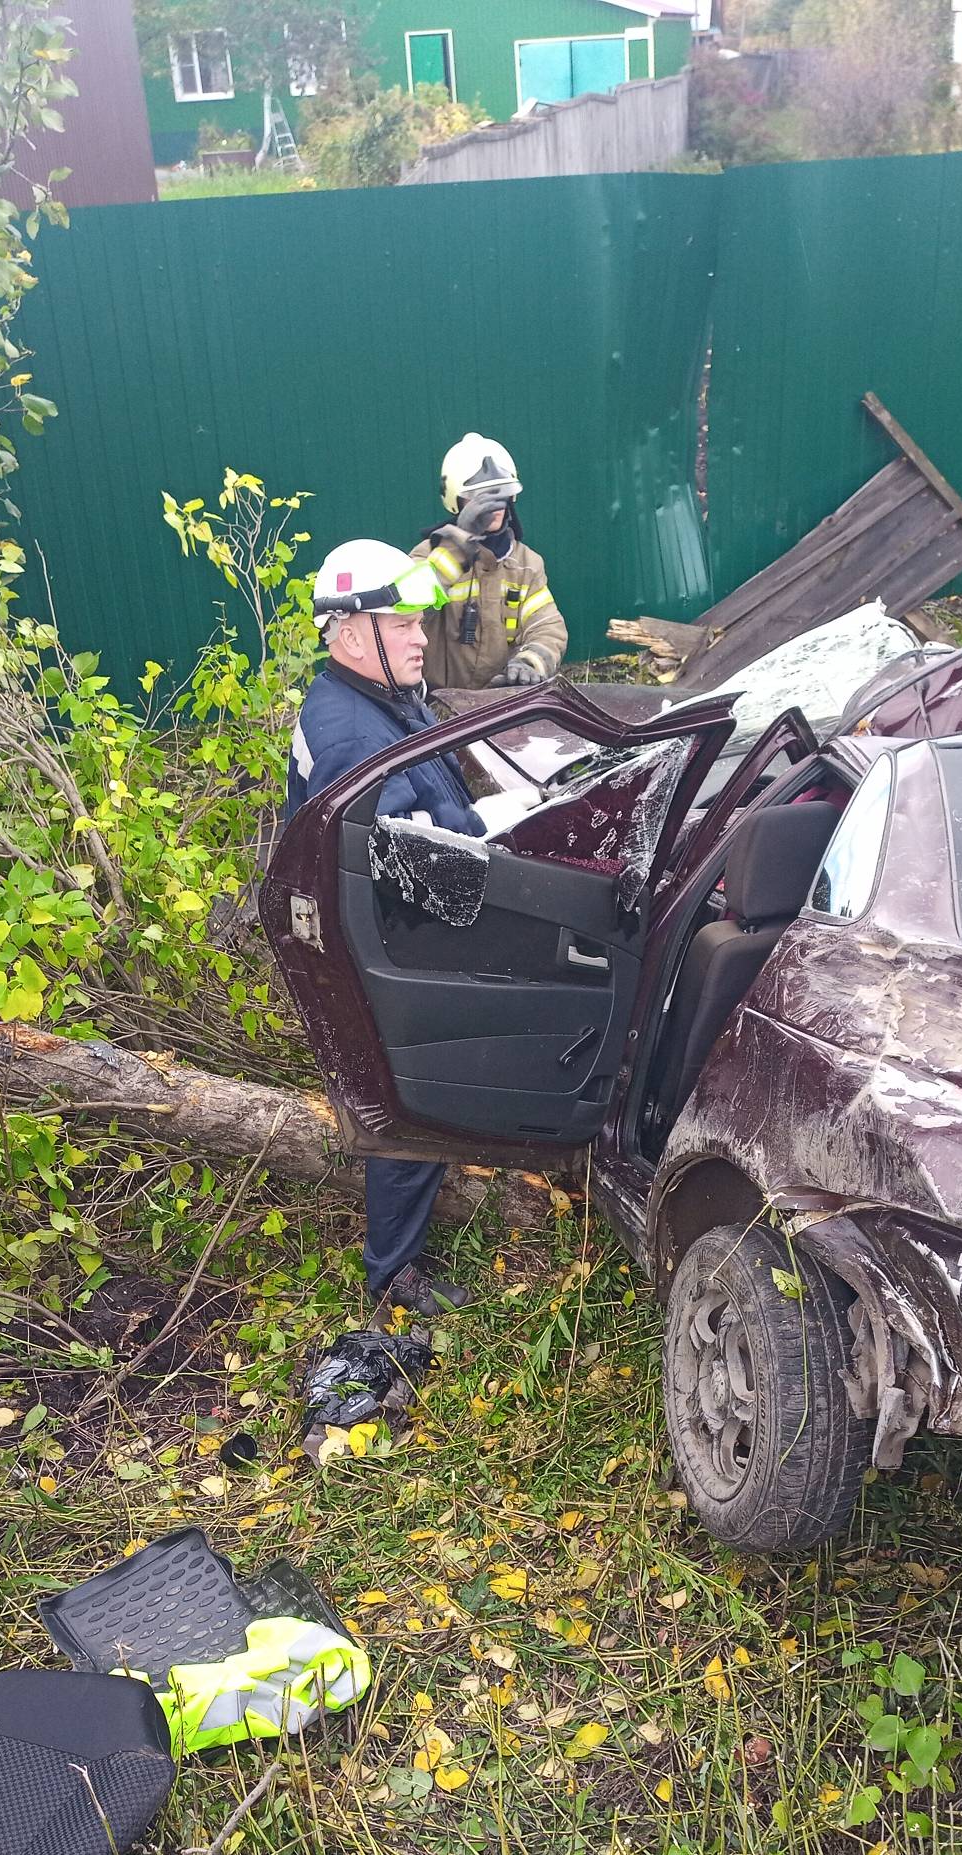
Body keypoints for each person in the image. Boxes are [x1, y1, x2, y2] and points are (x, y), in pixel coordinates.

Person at [286, 540, 482, 1321]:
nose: (419, 636)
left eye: (417, 622)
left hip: (396, 930)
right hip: (388, 946)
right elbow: (398, 869)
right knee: (411, 1087)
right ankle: (394, 1274)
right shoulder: (350, 736)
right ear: (348, 629)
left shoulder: (381, 699)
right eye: (401, 623)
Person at [417, 434, 568, 692]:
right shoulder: (429, 555)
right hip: (437, 706)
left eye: (500, 492)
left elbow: (547, 627)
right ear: (456, 500)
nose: (494, 505)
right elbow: (410, 608)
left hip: (500, 705)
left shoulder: (526, 565)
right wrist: (458, 545)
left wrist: (529, 663)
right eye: (480, 496)